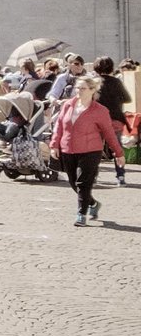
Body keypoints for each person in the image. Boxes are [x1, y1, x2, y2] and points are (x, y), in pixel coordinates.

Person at [52, 74, 122, 226]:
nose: (79, 91)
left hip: (91, 150)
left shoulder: (100, 111)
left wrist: (118, 153)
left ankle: (81, 214)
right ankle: (93, 204)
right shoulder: (68, 105)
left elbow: (109, 133)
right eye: (77, 88)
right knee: (73, 182)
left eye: (83, 88)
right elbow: (59, 126)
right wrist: (54, 145)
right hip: (68, 148)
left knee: (83, 183)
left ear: (92, 90)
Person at [93, 56, 131, 187]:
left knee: (96, 148)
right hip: (115, 118)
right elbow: (127, 98)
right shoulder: (116, 82)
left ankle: (94, 176)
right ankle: (120, 176)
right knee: (117, 148)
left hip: (96, 120)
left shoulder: (93, 82)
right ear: (111, 67)